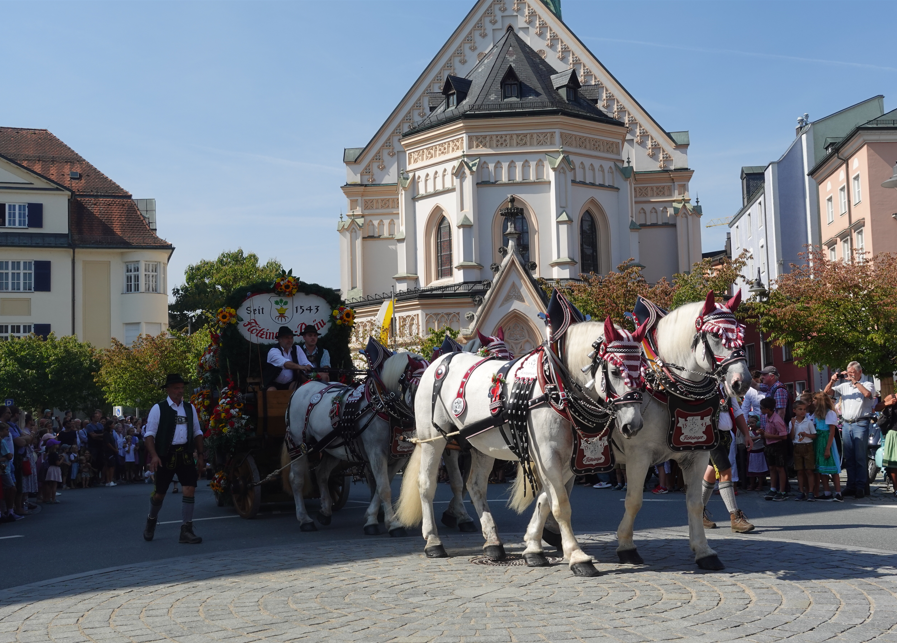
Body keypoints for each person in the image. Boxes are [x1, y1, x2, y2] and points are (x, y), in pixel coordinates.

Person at [143, 373, 205, 544]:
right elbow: (149, 435)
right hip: (165, 455)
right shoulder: (159, 408)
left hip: (185, 454)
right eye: (176, 388)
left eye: (182, 388)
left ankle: (186, 529)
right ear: (168, 389)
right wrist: (154, 456)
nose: (180, 391)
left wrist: (200, 455)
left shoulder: (189, 408)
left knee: (189, 489)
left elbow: (197, 432)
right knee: (159, 494)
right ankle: (151, 520)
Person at [702, 385, 755, 533]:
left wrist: (747, 434)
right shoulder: (703, 385)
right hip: (711, 435)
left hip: (725, 436)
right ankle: (735, 517)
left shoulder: (725, 386)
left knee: (711, 472)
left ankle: (697, 513)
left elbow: (737, 412)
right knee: (726, 471)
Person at [824, 361, 876, 498]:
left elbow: (866, 394)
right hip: (846, 424)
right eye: (848, 373)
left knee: (860, 457)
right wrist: (832, 381)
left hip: (861, 423)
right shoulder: (844, 386)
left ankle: (861, 487)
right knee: (849, 458)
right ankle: (851, 485)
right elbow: (826, 393)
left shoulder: (867, 384)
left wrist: (854, 382)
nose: (849, 375)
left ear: (860, 372)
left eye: (852, 372)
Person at [813, 391, 843, 502]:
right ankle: (827, 492)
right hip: (819, 440)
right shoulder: (817, 413)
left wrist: (827, 448)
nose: (813, 402)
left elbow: (831, 432)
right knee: (821, 468)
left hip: (827, 440)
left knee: (833, 468)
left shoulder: (830, 413)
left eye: (815, 400)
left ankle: (838, 493)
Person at [264, 326, 313, 391]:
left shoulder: (297, 348)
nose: (290, 340)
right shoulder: (273, 351)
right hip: (273, 383)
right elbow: (285, 363)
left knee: (297, 387)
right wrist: (301, 367)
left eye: (291, 338)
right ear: (279, 339)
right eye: (286, 338)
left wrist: (309, 368)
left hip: (291, 383)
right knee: (271, 391)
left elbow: (305, 363)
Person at [760, 397, 789, 501]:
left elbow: (784, 436)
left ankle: (782, 491)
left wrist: (768, 435)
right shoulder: (768, 417)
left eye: (762, 408)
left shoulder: (777, 420)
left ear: (768, 409)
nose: (761, 410)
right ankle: (773, 489)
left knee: (780, 468)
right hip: (770, 445)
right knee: (772, 468)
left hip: (778, 446)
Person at [790, 401, 817, 501]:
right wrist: (792, 425)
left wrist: (806, 435)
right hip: (797, 446)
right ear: (794, 410)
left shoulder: (808, 422)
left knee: (809, 470)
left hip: (807, 446)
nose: (803, 411)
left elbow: (814, 435)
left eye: (804, 409)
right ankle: (801, 491)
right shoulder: (792, 422)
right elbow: (791, 437)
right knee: (800, 471)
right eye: (800, 409)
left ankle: (810, 491)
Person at [878, 394, 897, 496]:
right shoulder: (892, 396)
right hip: (894, 433)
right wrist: (888, 403)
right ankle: (896, 488)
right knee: (894, 464)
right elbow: (876, 407)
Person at [746, 414, 768, 490]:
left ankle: (760, 485)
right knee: (752, 471)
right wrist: (759, 437)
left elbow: (765, 441)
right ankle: (752, 484)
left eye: (753, 423)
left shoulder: (761, 431)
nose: (751, 425)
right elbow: (750, 439)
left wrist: (762, 435)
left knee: (760, 471)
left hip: (760, 452)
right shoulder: (749, 432)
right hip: (752, 453)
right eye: (750, 423)